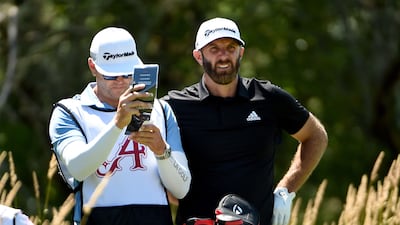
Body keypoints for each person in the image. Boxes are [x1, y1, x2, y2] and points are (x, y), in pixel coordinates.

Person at [162, 17, 328, 225]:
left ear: (241, 52)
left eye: (230, 48)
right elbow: (146, 156)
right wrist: (170, 192)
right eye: (214, 49)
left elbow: (315, 136)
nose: (223, 56)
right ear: (198, 56)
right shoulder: (173, 106)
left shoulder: (268, 97)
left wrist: (286, 190)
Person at [49, 27, 191, 225]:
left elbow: (181, 189)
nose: (121, 81)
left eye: (127, 73)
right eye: (110, 75)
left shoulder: (162, 109)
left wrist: (161, 151)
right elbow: (78, 168)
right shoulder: (70, 111)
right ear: (92, 66)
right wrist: (117, 124)